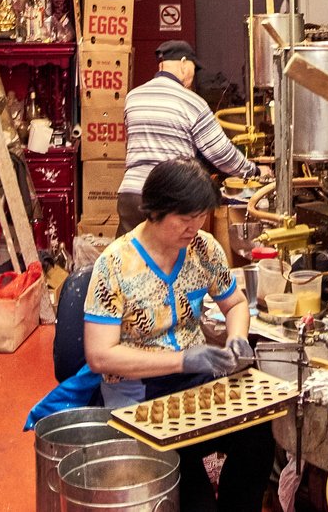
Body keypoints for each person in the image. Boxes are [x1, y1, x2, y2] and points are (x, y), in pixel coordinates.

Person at [83, 160, 274, 512]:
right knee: (193, 498)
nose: (194, 227)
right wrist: (182, 359)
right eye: (185, 218)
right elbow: (99, 355)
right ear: (154, 211)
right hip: (139, 395)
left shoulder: (203, 248)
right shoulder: (115, 264)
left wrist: (237, 338)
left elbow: (235, 303)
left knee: (258, 438)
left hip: (194, 382)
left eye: (200, 217)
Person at [116, 39, 254, 235]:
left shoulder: (133, 97)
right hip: (170, 198)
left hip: (131, 195)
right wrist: (253, 171)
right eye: (193, 68)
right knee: (171, 263)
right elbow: (221, 154)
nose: (194, 76)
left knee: (127, 259)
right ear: (182, 64)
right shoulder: (192, 102)